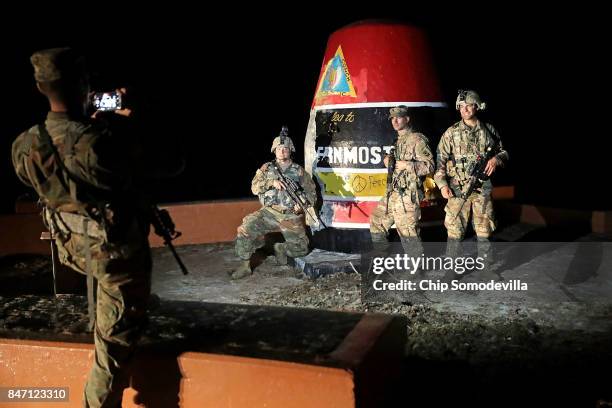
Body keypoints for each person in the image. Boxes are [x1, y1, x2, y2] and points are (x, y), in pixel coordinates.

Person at [12, 47, 152, 407]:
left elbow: (58, 175)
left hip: (68, 245)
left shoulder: (24, 144)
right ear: (82, 84)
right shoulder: (100, 145)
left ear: (42, 87)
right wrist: (129, 119)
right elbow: (166, 164)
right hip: (113, 257)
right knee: (114, 347)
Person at [434, 90, 509, 276]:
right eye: (461, 106)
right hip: (458, 188)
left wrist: (496, 160)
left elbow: (504, 152)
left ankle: (487, 270)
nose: (465, 109)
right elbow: (440, 161)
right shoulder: (451, 133)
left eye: (469, 105)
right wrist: (442, 185)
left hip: (482, 189)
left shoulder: (489, 130)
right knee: (454, 230)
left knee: (484, 231)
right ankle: (451, 271)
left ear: (477, 106)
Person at [233, 128, 317, 280]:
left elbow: (311, 193)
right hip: (269, 213)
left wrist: (303, 206)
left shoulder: (299, 171)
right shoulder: (267, 168)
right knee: (245, 229)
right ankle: (245, 266)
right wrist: (271, 182)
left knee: (301, 250)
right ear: (274, 150)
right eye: (279, 148)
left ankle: (281, 248)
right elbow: (254, 187)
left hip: (290, 214)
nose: (282, 151)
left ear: (290, 150)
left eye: (285, 148)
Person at [369, 106, 434, 254]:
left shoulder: (417, 139)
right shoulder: (397, 141)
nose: (395, 121)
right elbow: (396, 166)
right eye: (392, 118)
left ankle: (415, 271)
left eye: (398, 117)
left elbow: (430, 166)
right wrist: (389, 161)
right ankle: (381, 259)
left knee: (408, 233)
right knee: (377, 220)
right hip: (393, 192)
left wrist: (408, 165)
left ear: (407, 119)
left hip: (408, 194)